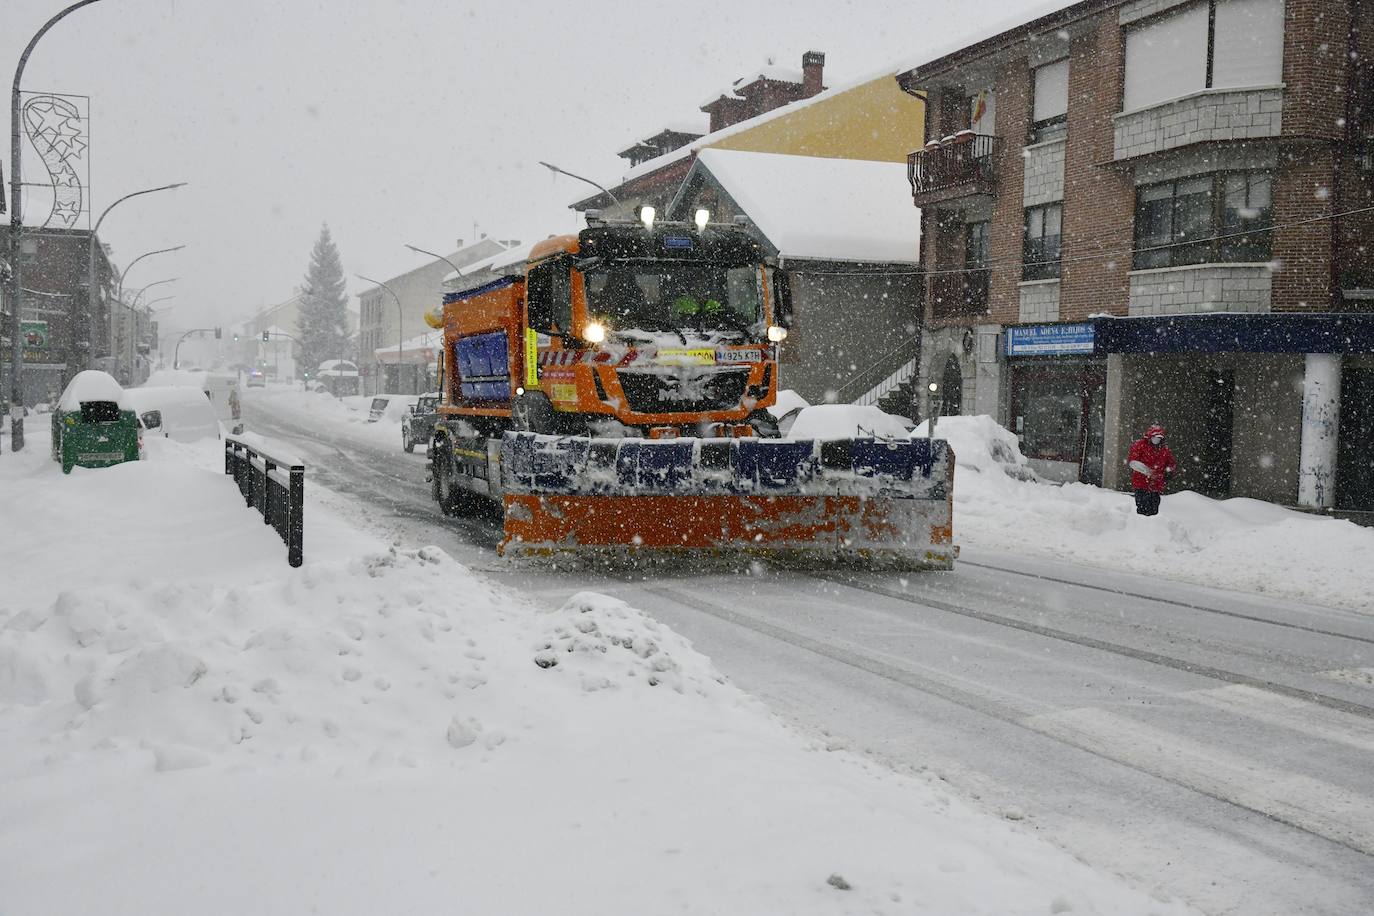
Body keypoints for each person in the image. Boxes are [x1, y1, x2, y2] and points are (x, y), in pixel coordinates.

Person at [1127, 424, 1176, 516]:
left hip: (1156, 485)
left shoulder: (1164, 450)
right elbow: (1133, 463)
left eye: (1159, 437)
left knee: (1154, 510)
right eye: (1155, 437)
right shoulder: (1139, 445)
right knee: (1142, 510)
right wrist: (1148, 472)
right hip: (1141, 484)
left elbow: (1171, 463)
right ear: (1150, 436)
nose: (1157, 439)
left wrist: (1169, 472)